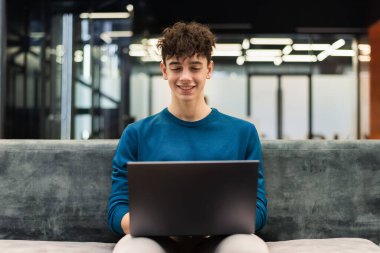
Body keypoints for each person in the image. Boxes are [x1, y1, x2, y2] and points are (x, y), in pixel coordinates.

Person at [107, 21, 268, 253]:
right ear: (164, 70)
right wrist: (155, 224)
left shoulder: (243, 133)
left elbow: (258, 210)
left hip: (220, 238)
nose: (185, 77)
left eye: (194, 67)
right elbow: (117, 209)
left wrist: (214, 223)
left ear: (208, 70)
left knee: (250, 249)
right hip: (158, 240)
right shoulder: (136, 135)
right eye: (175, 67)